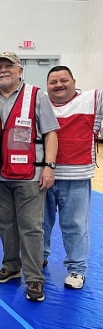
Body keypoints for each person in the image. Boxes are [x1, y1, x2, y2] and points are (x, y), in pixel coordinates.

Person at [0, 52, 59, 302]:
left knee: (31, 228)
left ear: (20, 70)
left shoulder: (37, 95)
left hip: (30, 175)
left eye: (8, 66)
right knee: (4, 224)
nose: (3, 71)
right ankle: (12, 266)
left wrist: (49, 166)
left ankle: (35, 278)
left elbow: (50, 133)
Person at [43, 65, 103, 290]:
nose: (58, 85)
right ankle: (39, 257)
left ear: (74, 81)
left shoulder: (93, 100)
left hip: (76, 176)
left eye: (63, 80)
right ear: (46, 85)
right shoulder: (40, 102)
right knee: (39, 223)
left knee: (75, 225)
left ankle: (77, 269)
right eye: (53, 82)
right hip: (43, 175)